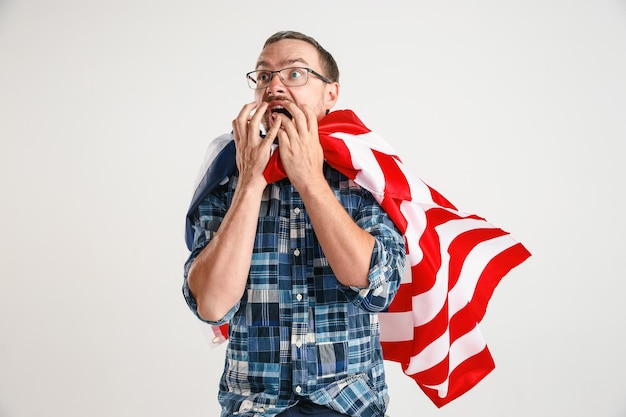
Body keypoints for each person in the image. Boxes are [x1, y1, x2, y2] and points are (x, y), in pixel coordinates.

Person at [183, 30, 406, 417]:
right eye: (264, 75)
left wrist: (310, 180)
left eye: (295, 74)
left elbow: (376, 288)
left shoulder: (365, 171)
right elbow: (212, 304)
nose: (275, 86)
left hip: (349, 404)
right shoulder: (226, 176)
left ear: (331, 94)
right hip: (255, 407)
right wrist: (250, 181)